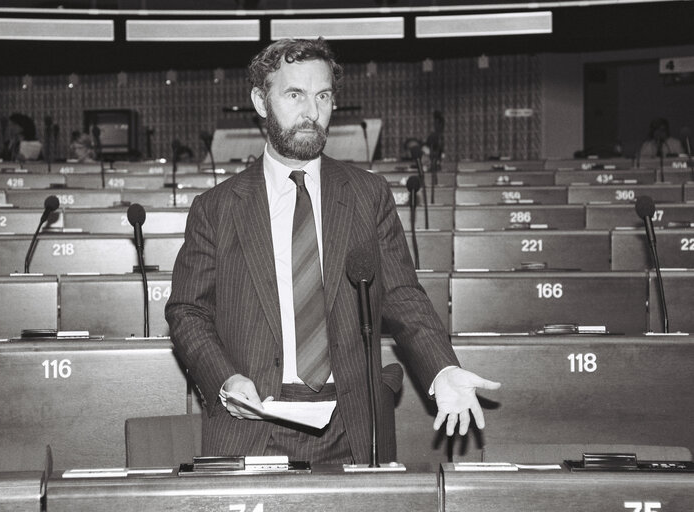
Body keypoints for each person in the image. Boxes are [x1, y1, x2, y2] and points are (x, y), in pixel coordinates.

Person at [165, 38, 500, 464]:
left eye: (322, 96)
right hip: (253, 424)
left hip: (353, 425)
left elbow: (400, 295)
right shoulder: (216, 208)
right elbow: (187, 311)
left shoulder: (367, 193)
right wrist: (224, 378)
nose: (311, 112)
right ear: (260, 101)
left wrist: (442, 368)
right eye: (294, 94)